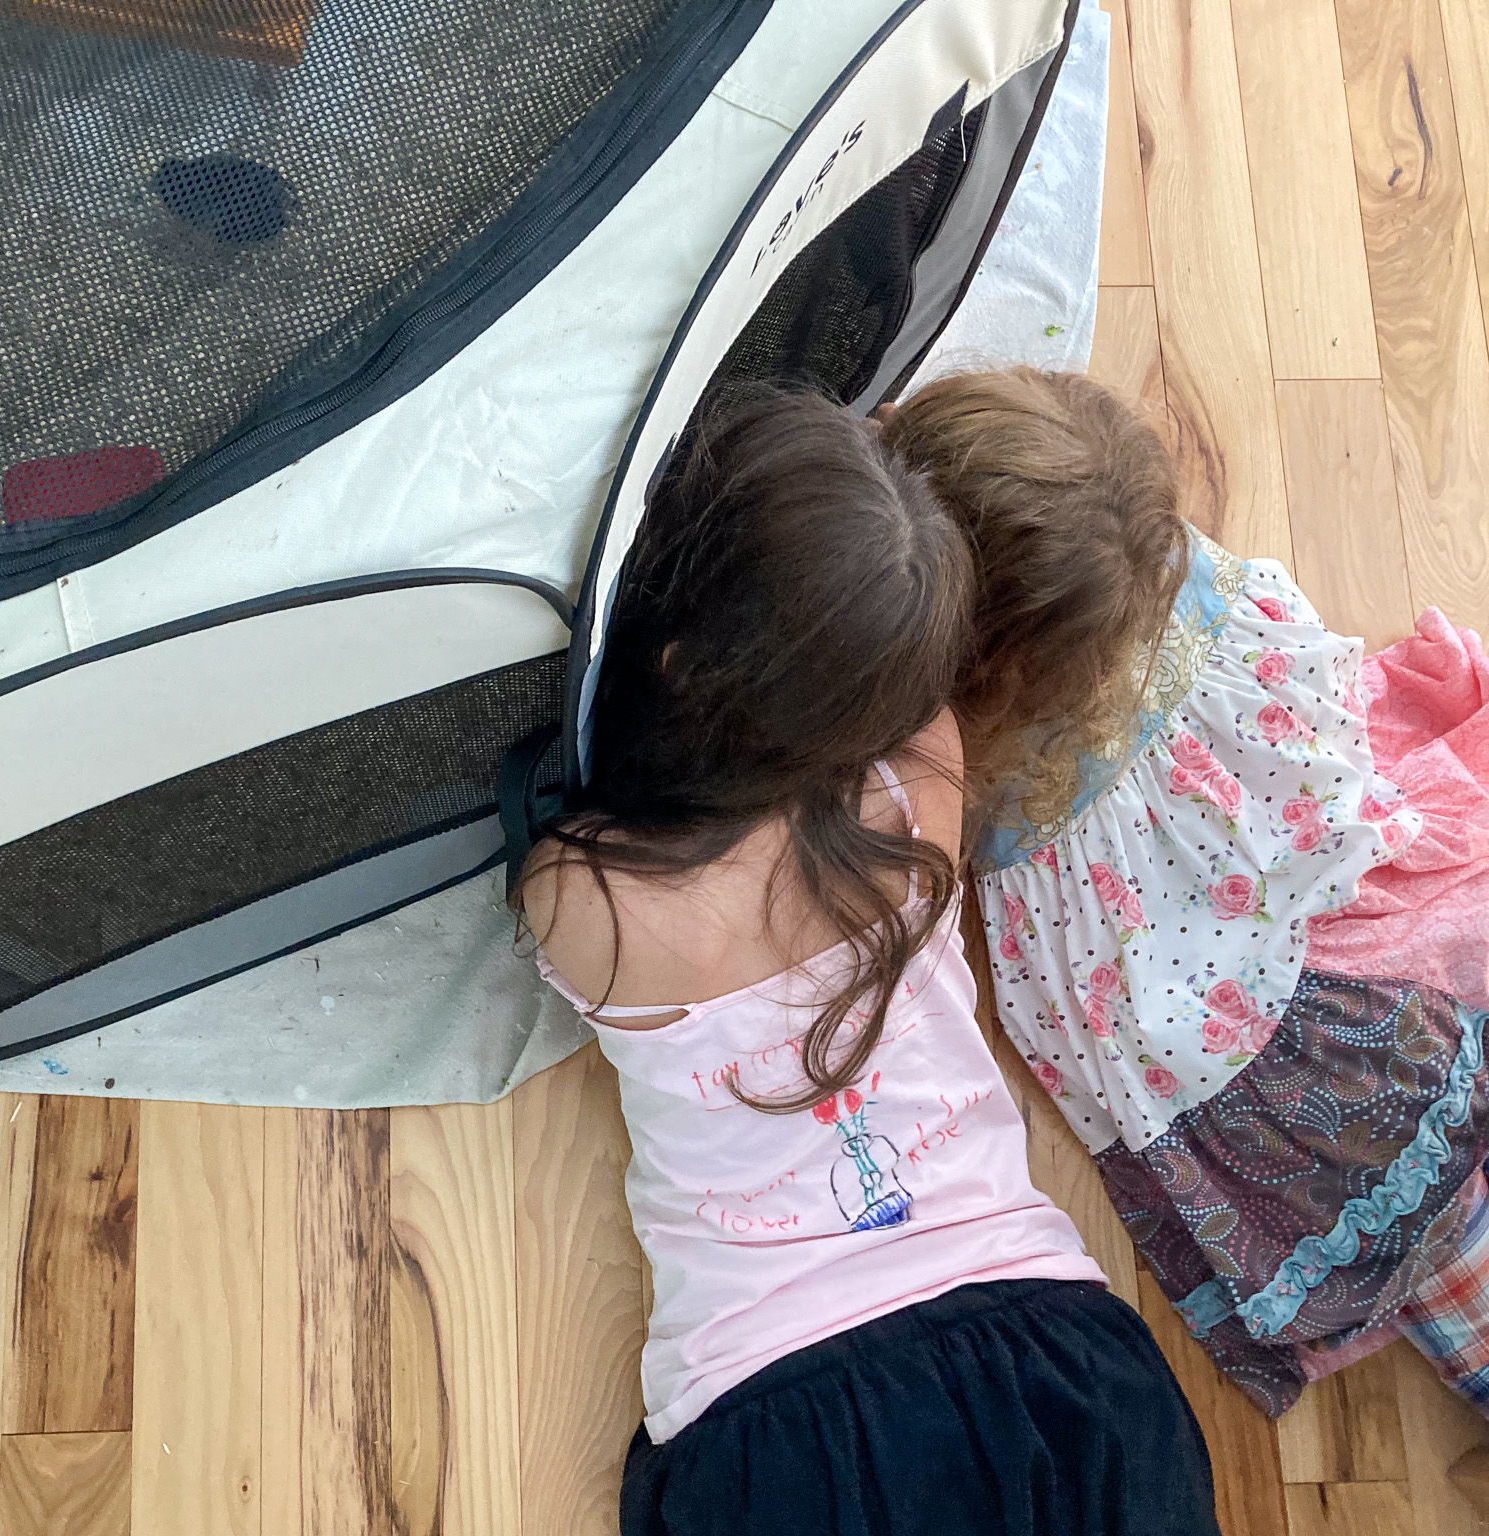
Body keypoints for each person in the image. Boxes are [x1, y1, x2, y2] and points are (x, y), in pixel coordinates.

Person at [519, 388, 1216, 1536]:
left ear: (678, 657)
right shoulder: (924, 773)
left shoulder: (587, 894)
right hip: (1051, 1345)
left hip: (778, 1397)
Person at [882, 367, 1489, 1417]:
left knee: (1399, 1217)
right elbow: (1317, 704)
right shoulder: (1186, 577)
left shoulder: (958, 763)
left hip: (1274, 1056)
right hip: (1337, 888)